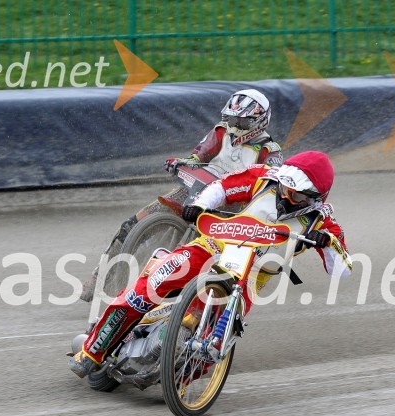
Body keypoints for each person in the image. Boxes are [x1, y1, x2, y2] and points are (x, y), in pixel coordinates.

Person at [70, 150, 352, 377]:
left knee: (214, 349)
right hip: (212, 246)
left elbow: (342, 270)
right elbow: (223, 187)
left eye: (298, 194)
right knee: (147, 288)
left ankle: (181, 377)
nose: (287, 195)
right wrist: (200, 205)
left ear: (317, 198)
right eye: (285, 186)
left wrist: (326, 242)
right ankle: (93, 350)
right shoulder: (265, 177)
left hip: (250, 277)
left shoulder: (323, 219)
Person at [80, 89, 284, 302]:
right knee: (131, 224)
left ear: (258, 122)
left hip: (229, 207)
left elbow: (269, 186)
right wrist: (182, 162)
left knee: (213, 257)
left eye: (240, 122)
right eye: (230, 118)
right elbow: (199, 155)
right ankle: (100, 275)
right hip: (192, 189)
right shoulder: (220, 131)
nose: (233, 125)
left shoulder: (270, 152)